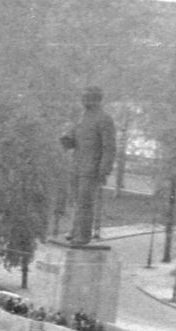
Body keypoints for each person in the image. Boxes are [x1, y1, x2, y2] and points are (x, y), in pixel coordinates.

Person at [60, 87, 117, 245]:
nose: (83, 100)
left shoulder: (104, 119)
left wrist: (104, 170)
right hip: (76, 165)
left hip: (92, 168)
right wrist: (65, 140)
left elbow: (109, 147)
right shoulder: (81, 117)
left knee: (85, 202)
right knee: (76, 200)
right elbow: (71, 137)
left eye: (86, 98)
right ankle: (74, 229)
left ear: (96, 99)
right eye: (83, 97)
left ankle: (83, 235)